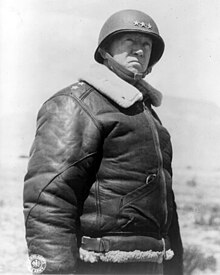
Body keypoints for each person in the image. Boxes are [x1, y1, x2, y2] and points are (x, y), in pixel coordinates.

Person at [23, 9, 183, 275]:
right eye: (129, 42)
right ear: (106, 49)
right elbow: (49, 198)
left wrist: (175, 267)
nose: (139, 51)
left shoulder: (148, 116)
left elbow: (166, 204)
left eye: (146, 44)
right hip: (98, 264)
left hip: (151, 264)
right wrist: (53, 271)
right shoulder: (75, 104)